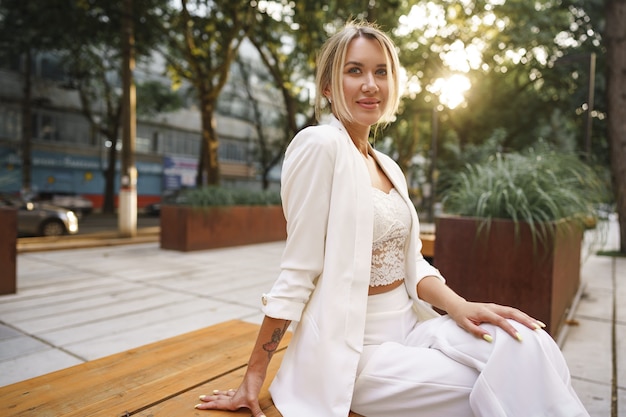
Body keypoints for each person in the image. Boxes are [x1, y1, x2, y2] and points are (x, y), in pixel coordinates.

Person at [195, 20, 590, 417]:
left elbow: (412, 260)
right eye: (355, 71)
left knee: (529, 343)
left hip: (414, 328)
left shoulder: (388, 166)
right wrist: (253, 377)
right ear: (328, 88)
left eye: (380, 71)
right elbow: (298, 272)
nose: (371, 84)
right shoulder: (319, 145)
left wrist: (459, 305)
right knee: (504, 385)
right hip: (355, 351)